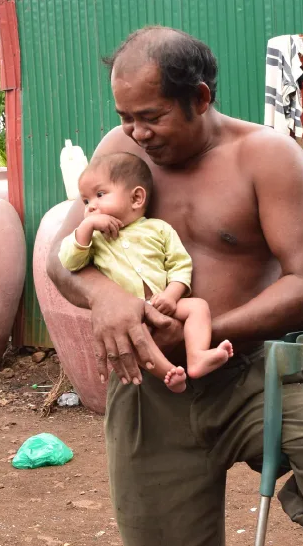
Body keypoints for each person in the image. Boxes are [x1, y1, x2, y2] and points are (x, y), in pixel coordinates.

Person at [47, 26, 303, 546]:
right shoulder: (119, 156)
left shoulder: (266, 157)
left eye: (151, 116)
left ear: (200, 96)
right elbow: (63, 260)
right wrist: (104, 298)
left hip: (244, 378)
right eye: (125, 117)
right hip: (150, 395)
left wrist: (206, 330)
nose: (136, 133)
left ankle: (301, 502)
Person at [58, 152, 234, 392]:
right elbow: (70, 262)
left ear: (136, 198)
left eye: (100, 195)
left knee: (198, 307)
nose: (91, 207)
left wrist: (172, 295)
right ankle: (168, 374)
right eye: (86, 201)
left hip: (161, 302)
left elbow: (180, 266)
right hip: (131, 313)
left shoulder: (159, 229)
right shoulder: (95, 238)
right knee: (133, 334)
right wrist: (86, 227)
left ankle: (197, 356)